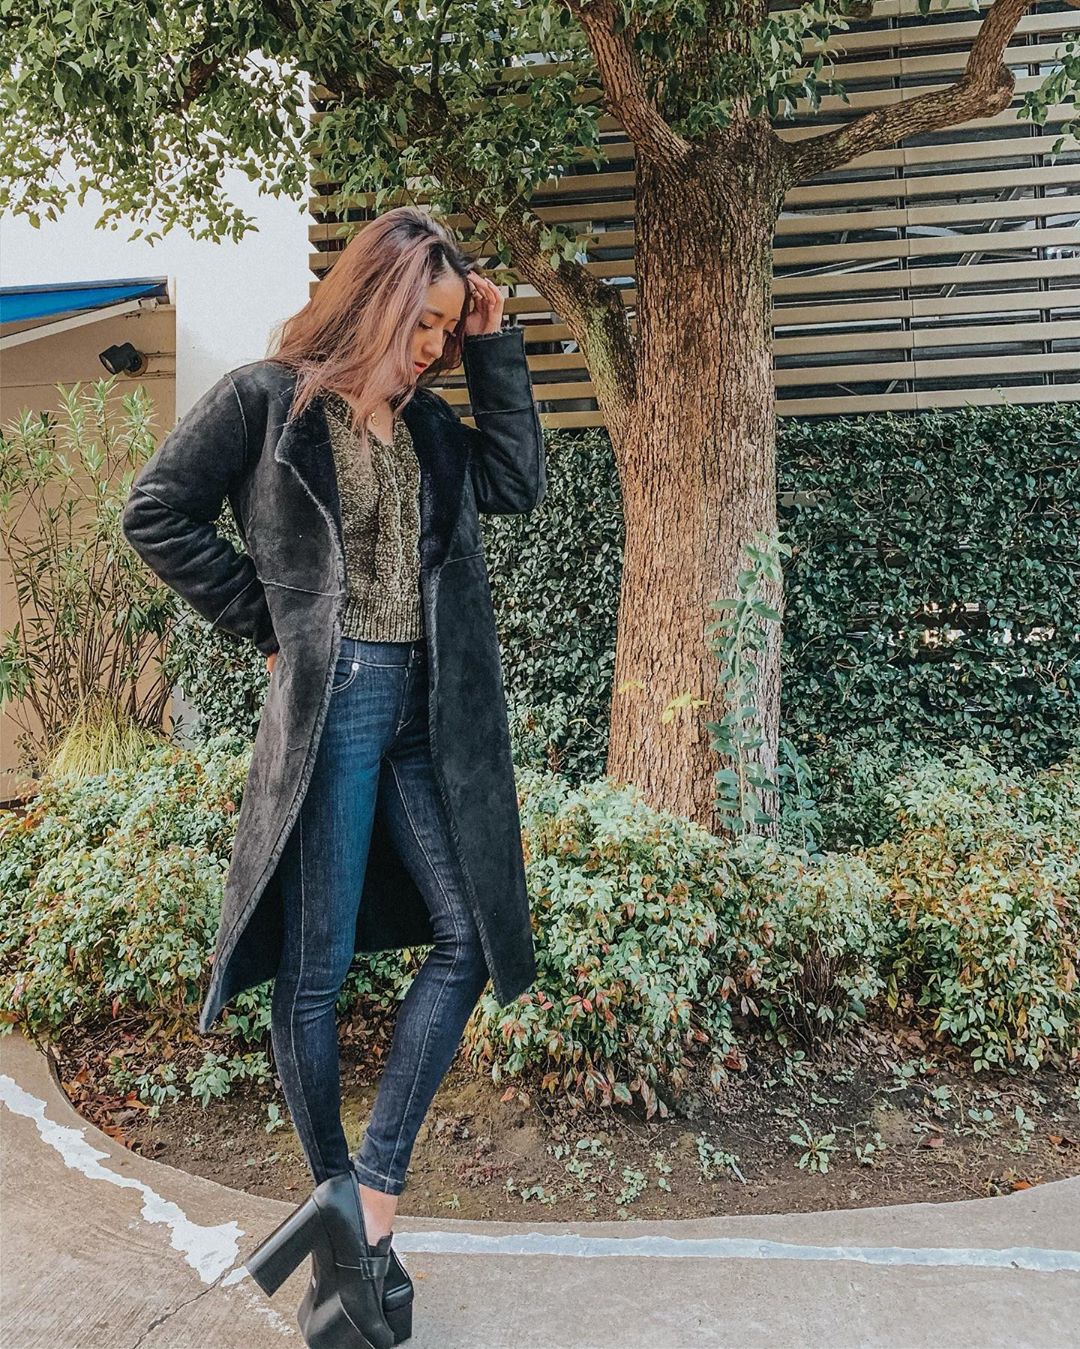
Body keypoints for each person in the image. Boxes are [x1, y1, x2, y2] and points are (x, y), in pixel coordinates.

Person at [125, 206, 544, 1349]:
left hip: (425, 710)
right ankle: (351, 1239)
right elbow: (155, 511)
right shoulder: (267, 400)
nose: (433, 347)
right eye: (427, 324)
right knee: (312, 972)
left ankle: (363, 1198)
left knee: (469, 937)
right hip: (336, 705)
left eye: (449, 329)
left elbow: (519, 483)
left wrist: (497, 345)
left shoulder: (431, 427)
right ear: (376, 299)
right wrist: (272, 623)